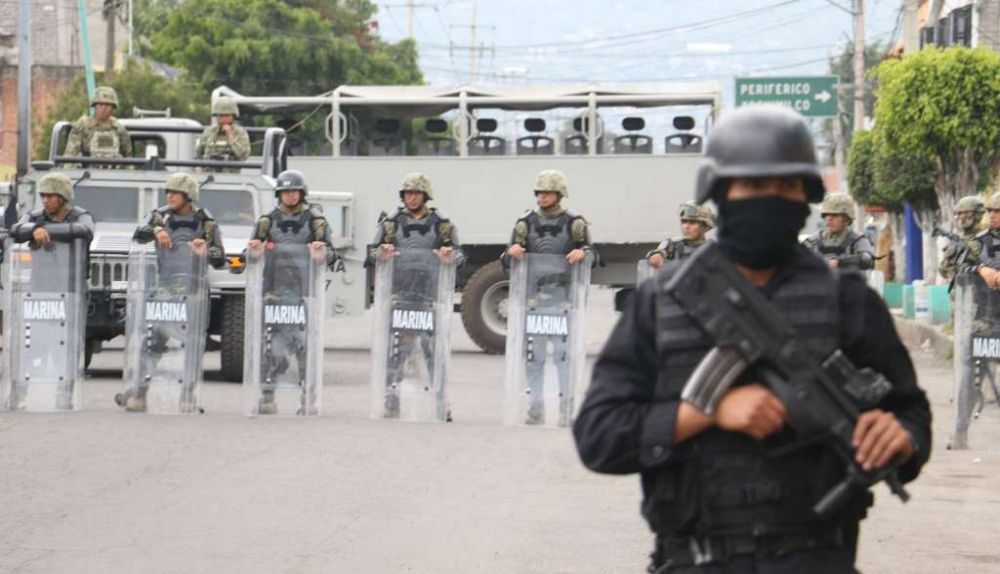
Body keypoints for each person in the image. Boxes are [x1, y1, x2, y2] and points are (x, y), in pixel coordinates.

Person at [573, 106, 931, 573]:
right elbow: (599, 436)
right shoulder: (660, 303)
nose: (770, 198)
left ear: (806, 196)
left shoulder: (848, 302)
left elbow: (910, 414)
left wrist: (901, 437)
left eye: (786, 186)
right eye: (753, 185)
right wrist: (705, 412)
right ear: (721, 193)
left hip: (817, 560)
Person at [116, 172, 225, 412]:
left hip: (193, 290)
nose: (169, 196)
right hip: (165, 288)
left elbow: (220, 258)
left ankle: (187, 396)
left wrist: (204, 251)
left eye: (175, 192)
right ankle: (140, 394)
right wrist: (156, 231)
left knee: (192, 344)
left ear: (188, 196)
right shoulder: (159, 216)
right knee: (153, 340)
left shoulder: (205, 222)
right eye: (168, 192)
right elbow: (138, 235)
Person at [369, 173, 465, 418]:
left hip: (429, 297)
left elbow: (460, 257)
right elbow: (370, 255)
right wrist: (381, 253)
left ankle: (441, 402)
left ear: (425, 196)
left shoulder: (442, 225)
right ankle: (391, 400)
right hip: (399, 295)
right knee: (397, 351)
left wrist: (449, 256)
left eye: (416, 194)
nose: (411, 198)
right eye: (408, 194)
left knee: (433, 351)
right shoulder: (391, 224)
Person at [504, 169, 592, 424]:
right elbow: (506, 261)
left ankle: (566, 407)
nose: (542, 197)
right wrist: (512, 252)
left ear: (559, 194)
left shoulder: (575, 224)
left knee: (564, 356)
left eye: (547, 192)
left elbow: (593, 255)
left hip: (563, 300)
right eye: (539, 192)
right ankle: (535, 407)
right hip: (534, 301)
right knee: (534, 357)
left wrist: (583, 254)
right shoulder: (525, 224)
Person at [247, 169, 336, 415]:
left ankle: (308, 398)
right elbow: (250, 253)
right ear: (279, 194)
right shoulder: (267, 221)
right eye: (285, 191)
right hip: (272, 291)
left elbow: (332, 255)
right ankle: (267, 396)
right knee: (269, 345)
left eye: (294, 191)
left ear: (302, 193)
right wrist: (253, 251)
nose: (290, 195)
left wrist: (322, 252)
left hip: (302, 293)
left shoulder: (315, 221)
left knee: (302, 345)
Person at [802, 192, 874, 270]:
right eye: (826, 214)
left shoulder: (857, 240)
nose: (829, 219)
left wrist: (840, 262)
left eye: (835, 215)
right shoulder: (812, 241)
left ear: (847, 218)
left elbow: (866, 260)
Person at [63, 86, 132, 160]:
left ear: (113, 108)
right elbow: (70, 156)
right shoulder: (83, 126)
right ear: (95, 106)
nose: (103, 108)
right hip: (88, 167)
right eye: (100, 104)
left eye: (107, 105)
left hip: (114, 167)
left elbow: (128, 158)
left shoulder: (119, 129)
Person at [647, 201, 714, 268]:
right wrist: (656, 256)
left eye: (692, 222)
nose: (686, 227)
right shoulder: (671, 246)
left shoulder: (712, 248)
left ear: (705, 226)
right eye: (684, 222)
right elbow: (655, 258)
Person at [196, 96, 251, 171]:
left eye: (227, 116)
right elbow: (199, 153)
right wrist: (199, 167)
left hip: (230, 174)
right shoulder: (209, 131)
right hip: (208, 172)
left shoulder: (240, 133)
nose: (224, 119)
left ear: (233, 116)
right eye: (221, 116)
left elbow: (243, 155)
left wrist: (230, 136)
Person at [940, 195, 987, 281]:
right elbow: (944, 272)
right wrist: (949, 259)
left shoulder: (988, 236)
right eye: (960, 213)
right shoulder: (959, 238)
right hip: (961, 287)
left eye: (967, 213)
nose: (962, 217)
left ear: (978, 215)